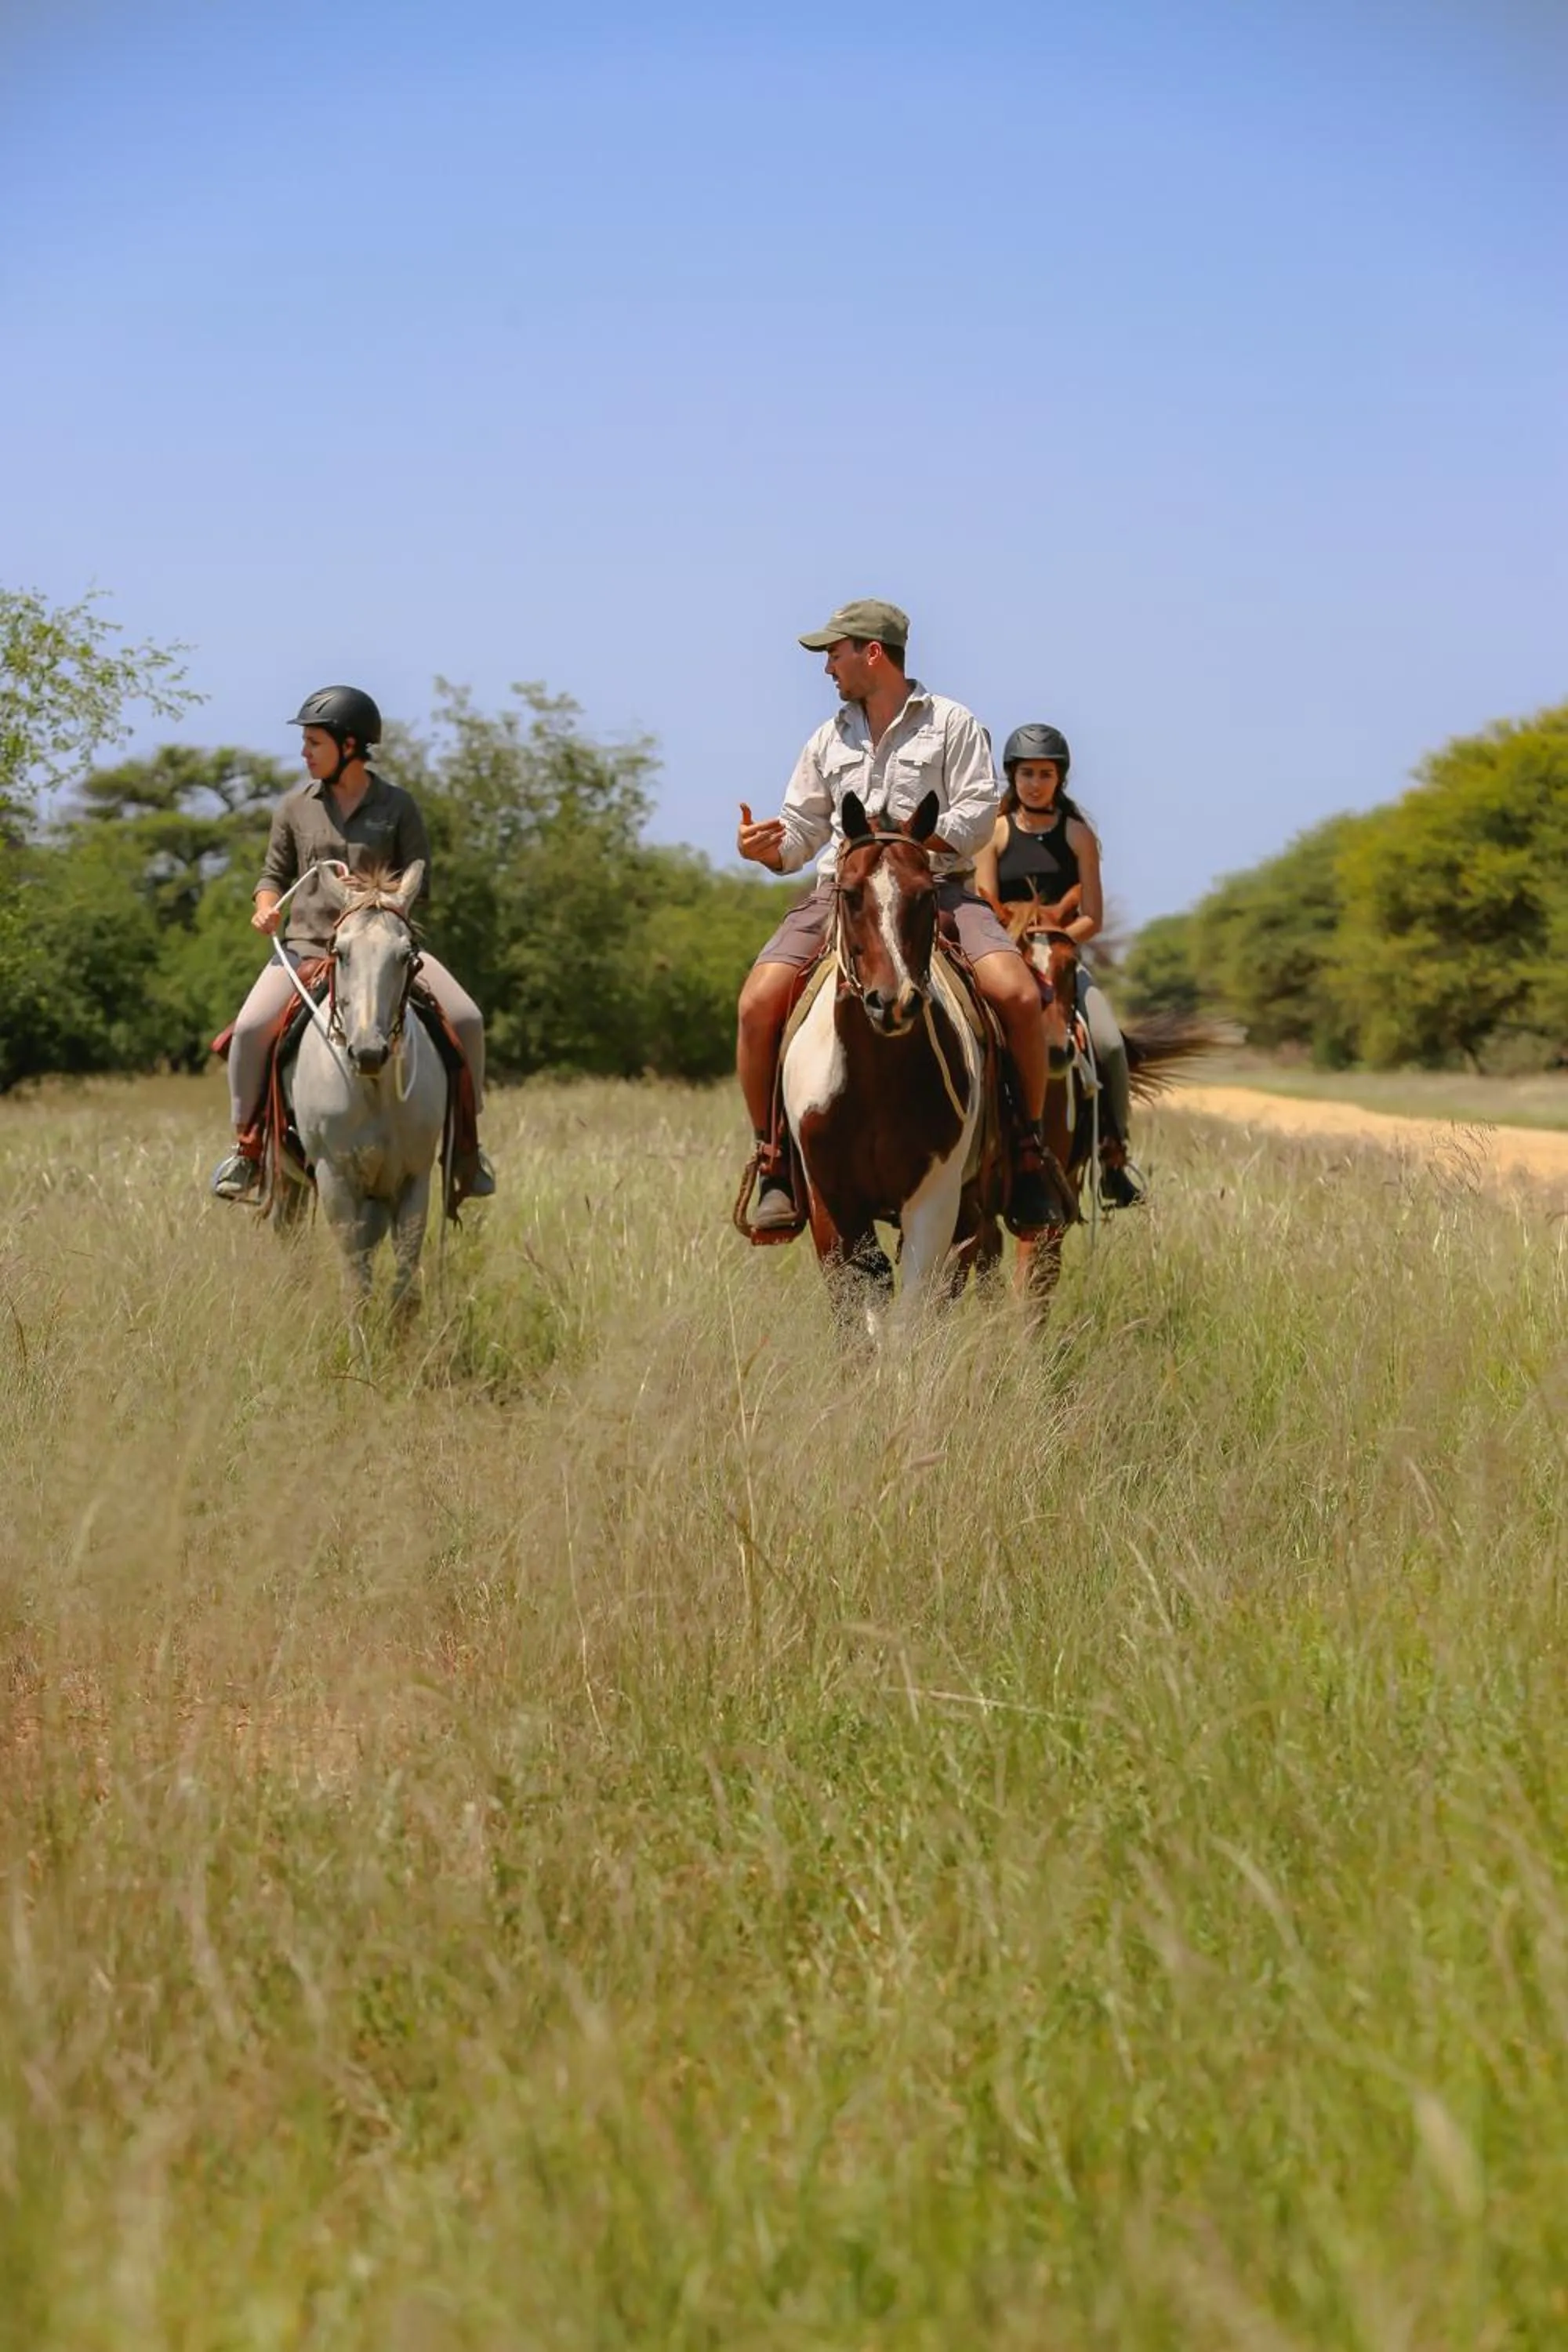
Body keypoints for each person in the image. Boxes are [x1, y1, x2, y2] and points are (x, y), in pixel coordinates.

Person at [735, 600, 1063, 1232]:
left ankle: (1027, 1155)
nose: (828, 667)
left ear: (872, 653)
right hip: (846, 894)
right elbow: (802, 831)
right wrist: (766, 850)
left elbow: (978, 813)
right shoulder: (827, 738)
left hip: (935, 889)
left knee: (1019, 996)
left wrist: (907, 849)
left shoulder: (953, 724)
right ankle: (773, 1162)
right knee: (756, 1003)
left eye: (834, 653)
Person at [210, 684, 495, 1200]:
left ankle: (467, 1152)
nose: (304, 752)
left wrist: (380, 902)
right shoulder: (294, 807)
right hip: (307, 948)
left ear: (348, 746)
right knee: (250, 1029)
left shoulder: (398, 806)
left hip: (384, 950)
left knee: (469, 1019)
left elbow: (420, 879)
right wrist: (265, 907)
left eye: (313, 742)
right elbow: (272, 875)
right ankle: (247, 1151)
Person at [974, 723, 1145, 1208]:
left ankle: (1114, 1157)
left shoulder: (1078, 836)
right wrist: (1020, 942)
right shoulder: (993, 833)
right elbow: (986, 904)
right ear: (1012, 776)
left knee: (1108, 1042)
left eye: (1045, 774)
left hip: (1062, 960)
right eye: (1027, 773)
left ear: (1060, 779)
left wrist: (1054, 941)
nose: (1035, 783)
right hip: (1007, 957)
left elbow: (1092, 916)